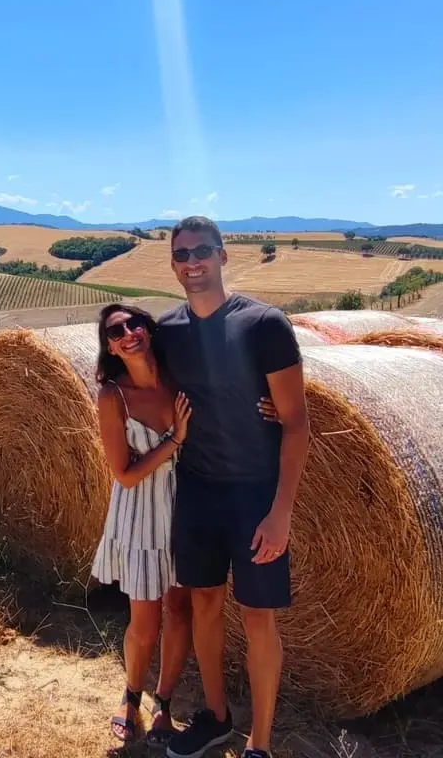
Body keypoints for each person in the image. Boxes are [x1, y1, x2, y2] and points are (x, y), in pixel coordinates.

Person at [89, 302, 282, 749]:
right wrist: (175, 438)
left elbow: (229, 386)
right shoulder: (111, 395)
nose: (128, 332)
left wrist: (270, 405)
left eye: (135, 322)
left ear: (151, 330)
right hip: (140, 514)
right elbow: (125, 474)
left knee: (180, 610)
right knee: (145, 620)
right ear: (110, 347)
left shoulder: (179, 378)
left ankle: (164, 702)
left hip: (189, 507)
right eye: (116, 331)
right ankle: (130, 695)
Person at [153, 216, 310, 758]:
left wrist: (281, 512)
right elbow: (135, 379)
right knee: (203, 602)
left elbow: (297, 421)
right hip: (196, 490)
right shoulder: (168, 330)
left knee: (258, 615)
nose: (191, 262)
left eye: (200, 251)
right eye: (181, 255)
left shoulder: (264, 325)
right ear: (172, 264)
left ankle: (260, 744)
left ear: (223, 256)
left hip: (254, 495)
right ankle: (217, 717)